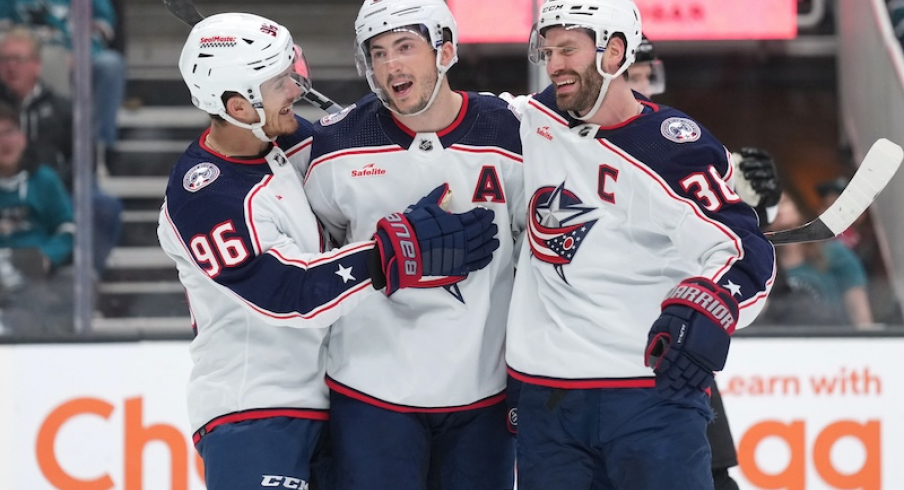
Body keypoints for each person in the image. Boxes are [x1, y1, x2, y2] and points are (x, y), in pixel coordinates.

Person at [157, 12, 500, 490]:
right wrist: (388, 254)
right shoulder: (206, 197)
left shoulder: (270, 146)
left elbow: (345, 143)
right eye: (281, 84)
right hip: (252, 412)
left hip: (324, 402)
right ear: (238, 108)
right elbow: (287, 290)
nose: (296, 92)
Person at [503, 1, 775, 489]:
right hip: (549, 403)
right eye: (548, 50)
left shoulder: (672, 148)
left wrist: (711, 302)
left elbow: (743, 255)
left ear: (614, 51)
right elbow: (449, 120)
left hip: (650, 399)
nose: (554, 64)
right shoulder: (530, 123)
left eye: (568, 49)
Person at [303, 1, 524, 488]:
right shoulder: (335, 147)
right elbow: (312, 263)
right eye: (378, 53)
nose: (391, 65)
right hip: (370, 394)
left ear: (445, 49)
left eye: (405, 46)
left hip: (482, 396)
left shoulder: (510, 130)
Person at [627, 34, 783, 490]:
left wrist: (761, 208)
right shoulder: (571, 147)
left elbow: (728, 240)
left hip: (673, 351)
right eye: (631, 76)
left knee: (712, 478)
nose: (641, 87)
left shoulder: (673, 145)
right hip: (596, 365)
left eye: (645, 76)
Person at [0, 26, 122, 276]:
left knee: (101, 205)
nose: (11, 67)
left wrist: (58, 186)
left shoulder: (64, 110)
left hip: (55, 188)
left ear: (36, 65)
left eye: (18, 60)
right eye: (4, 60)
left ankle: (88, 282)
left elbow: (81, 160)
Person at [0, 0, 127, 152]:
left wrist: (83, 53)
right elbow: (4, 29)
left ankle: (100, 148)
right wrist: (27, 55)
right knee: (50, 59)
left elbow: (102, 27)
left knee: (111, 64)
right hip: (29, 57)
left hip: (78, 56)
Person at [0, 100, 75, 335]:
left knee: (78, 281)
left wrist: (47, 256)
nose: (4, 142)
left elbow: (68, 228)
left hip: (35, 269)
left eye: (9, 132)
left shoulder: (44, 180)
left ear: (22, 138)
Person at [770, 191, 873, 327]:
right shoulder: (760, 266)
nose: (777, 211)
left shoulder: (836, 254)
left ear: (798, 208)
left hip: (834, 342)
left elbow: (859, 311)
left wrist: (867, 343)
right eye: (770, 207)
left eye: (783, 203)